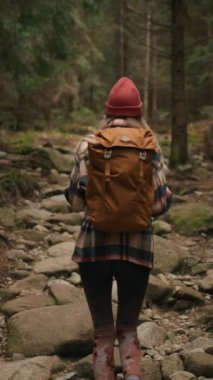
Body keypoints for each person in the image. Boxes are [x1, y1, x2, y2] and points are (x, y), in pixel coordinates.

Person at [65, 77, 172, 380]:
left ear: (107, 111)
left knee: (102, 332)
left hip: (93, 248)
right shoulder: (149, 147)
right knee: (128, 328)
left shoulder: (89, 145)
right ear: (139, 112)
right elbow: (161, 205)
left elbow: (74, 202)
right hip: (137, 250)